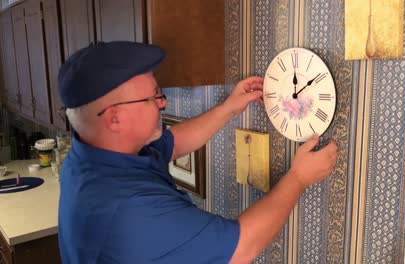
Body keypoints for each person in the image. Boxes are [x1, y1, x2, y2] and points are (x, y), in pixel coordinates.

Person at [57, 41, 338, 264]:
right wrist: (299, 177)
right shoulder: (128, 209)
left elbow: (173, 142)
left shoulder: (92, 156)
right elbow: (242, 247)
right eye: (153, 96)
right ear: (114, 118)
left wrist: (229, 107)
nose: (163, 103)